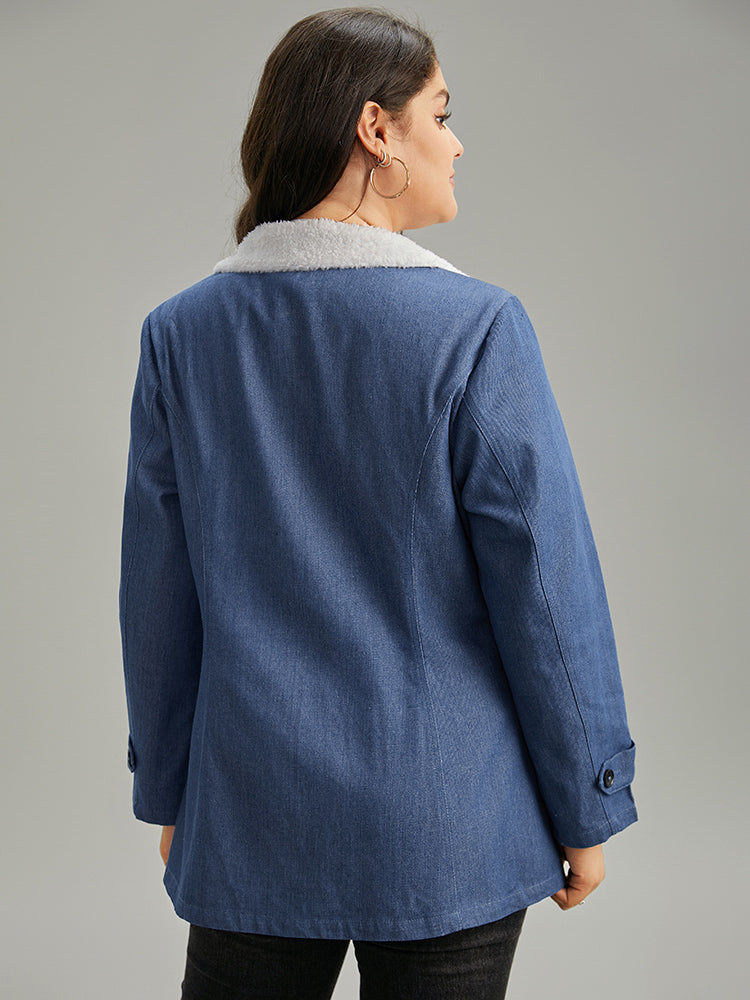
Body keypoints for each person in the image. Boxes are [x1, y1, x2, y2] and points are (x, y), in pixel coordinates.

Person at [118, 7, 638, 998]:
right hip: (448, 825)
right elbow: (544, 587)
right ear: (375, 129)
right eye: (439, 114)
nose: (457, 142)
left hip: (252, 814)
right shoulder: (476, 328)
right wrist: (589, 800)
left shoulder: (180, 335)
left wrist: (174, 789)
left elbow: (156, 599)